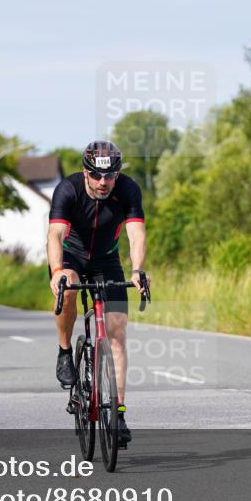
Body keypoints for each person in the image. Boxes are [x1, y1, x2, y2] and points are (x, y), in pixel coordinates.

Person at [46, 140, 149, 448]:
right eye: (96, 176)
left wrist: (138, 269)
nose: (104, 183)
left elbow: (136, 232)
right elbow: (55, 234)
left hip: (107, 260)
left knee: (117, 330)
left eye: (110, 176)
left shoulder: (128, 189)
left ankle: (118, 413)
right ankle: (65, 352)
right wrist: (56, 272)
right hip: (72, 257)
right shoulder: (68, 190)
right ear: (85, 172)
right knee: (67, 290)